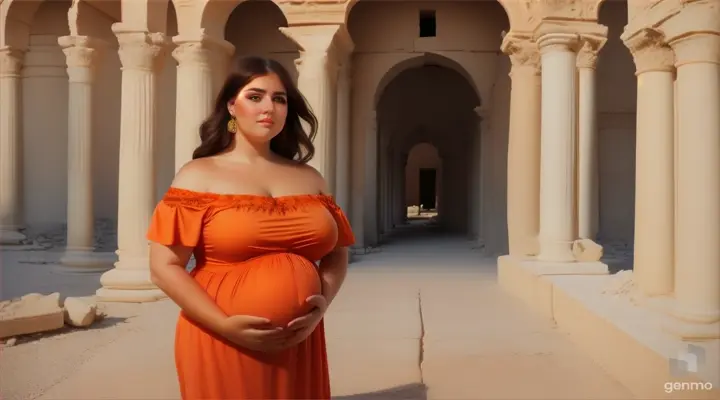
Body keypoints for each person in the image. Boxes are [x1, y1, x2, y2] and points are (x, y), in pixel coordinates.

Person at [146, 56, 355, 400]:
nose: (268, 108)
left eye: (279, 98)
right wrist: (225, 325)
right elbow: (163, 267)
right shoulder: (199, 174)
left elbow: (337, 253)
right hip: (221, 338)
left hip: (301, 342)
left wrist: (321, 308)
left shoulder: (310, 178)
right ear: (231, 105)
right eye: (254, 96)